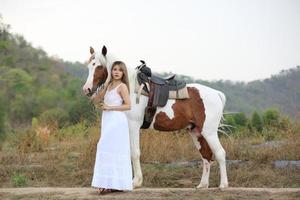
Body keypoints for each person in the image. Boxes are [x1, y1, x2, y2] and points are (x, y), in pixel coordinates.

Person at [91, 61, 132, 194]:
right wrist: (106, 81)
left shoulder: (122, 87)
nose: (116, 72)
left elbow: (128, 105)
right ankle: (107, 183)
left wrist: (110, 107)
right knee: (108, 150)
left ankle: (115, 183)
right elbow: (96, 99)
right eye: (114, 69)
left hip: (117, 121)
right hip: (107, 120)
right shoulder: (108, 85)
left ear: (123, 73)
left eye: (119, 70)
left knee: (108, 148)